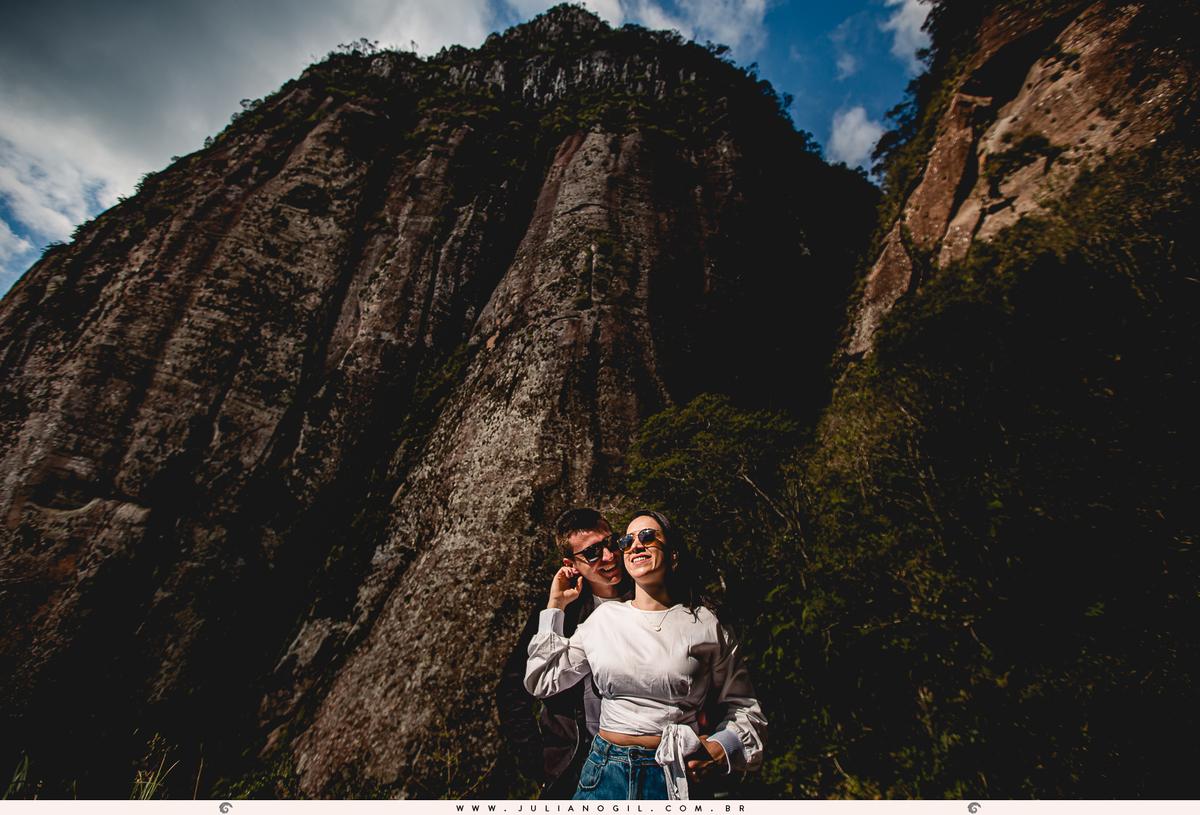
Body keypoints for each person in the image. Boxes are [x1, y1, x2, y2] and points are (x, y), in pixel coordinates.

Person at [525, 509, 766, 800]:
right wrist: (555, 607)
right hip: (603, 774)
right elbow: (541, 679)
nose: (634, 545)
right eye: (627, 540)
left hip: (674, 775)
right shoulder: (603, 620)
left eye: (648, 536)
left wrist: (721, 749)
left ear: (673, 553)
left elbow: (744, 708)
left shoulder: (706, 623)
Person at [496, 508, 633, 798]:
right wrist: (541, 765)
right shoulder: (559, 614)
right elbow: (512, 692)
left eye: (611, 543)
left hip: (645, 763)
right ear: (571, 564)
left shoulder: (649, 594)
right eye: (593, 553)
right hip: (576, 768)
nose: (608, 556)